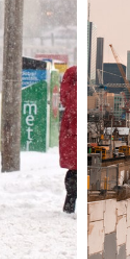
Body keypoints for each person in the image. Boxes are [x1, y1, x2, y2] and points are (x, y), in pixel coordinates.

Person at [60, 65, 77, 214]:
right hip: (73, 139)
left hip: (70, 139)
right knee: (76, 173)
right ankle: (69, 206)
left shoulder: (70, 98)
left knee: (73, 173)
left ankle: (69, 206)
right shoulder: (76, 96)